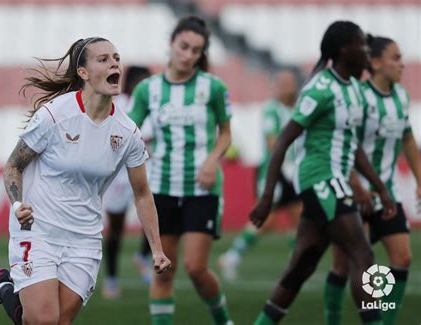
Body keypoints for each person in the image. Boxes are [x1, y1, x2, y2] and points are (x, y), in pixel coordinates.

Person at [0, 37, 171, 325]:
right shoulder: (55, 115)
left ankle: (3, 286)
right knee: (43, 321)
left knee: (56, 323)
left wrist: (156, 248)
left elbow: (142, 194)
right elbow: (14, 165)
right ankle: (6, 286)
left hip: (84, 238)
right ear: (83, 72)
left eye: (116, 57)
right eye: (103, 59)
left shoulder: (127, 132)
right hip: (38, 228)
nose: (114, 62)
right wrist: (17, 203)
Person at [249, 21, 397, 325]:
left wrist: (379, 187)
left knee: (302, 265)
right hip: (320, 179)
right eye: (362, 44)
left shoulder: (354, 89)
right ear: (344, 49)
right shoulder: (319, 89)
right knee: (363, 255)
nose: (367, 51)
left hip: (335, 181)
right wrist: (267, 197)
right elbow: (283, 142)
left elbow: (352, 146)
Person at [128, 16, 233, 325]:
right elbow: (129, 129)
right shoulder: (148, 89)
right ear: (171, 44)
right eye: (184, 46)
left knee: (196, 267)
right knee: (164, 270)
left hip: (202, 188)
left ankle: (224, 321)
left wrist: (212, 160)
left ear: (202, 55)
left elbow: (225, 133)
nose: (188, 55)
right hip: (161, 188)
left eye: (196, 50)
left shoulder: (213, 87)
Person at [323, 35, 421, 325]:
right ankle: (333, 319)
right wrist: (355, 186)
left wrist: (419, 179)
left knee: (402, 259)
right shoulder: (358, 97)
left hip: (387, 194)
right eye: (395, 58)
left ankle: (384, 323)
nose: (402, 64)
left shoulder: (401, 97)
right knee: (343, 265)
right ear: (375, 63)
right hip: (355, 195)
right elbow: (344, 145)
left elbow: (408, 140)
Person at [218, 69, 303, 281]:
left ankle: (298, 264)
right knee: (267, 220)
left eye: (289, 83)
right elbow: (272, 142)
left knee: (298, 216)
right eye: (282, 83)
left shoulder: (295, 109)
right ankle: (231, 256)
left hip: (292, 172)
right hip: (274, 172)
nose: (285, 87)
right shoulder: (271, 110)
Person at [101, 65, 154, 299]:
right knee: (116, 230)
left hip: (143, 170)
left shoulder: (153, 106)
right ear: (131, 83)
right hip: (117, 176)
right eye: (141, 81)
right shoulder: (116, 105)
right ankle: (111, 279)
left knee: (154, 214)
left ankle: (143, 256)